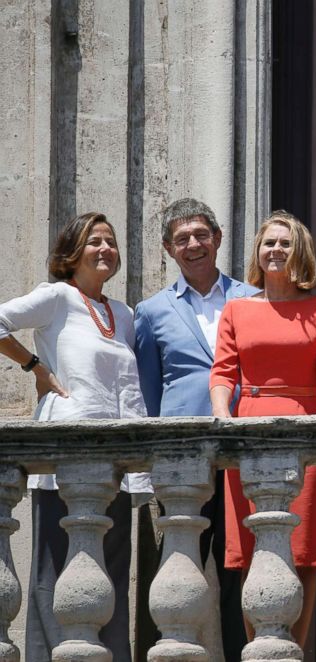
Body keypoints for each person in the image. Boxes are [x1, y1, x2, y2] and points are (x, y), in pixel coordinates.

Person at [0, 212, 148, 662]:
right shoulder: (57, 297)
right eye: (94, 241)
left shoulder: (122, 313)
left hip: (116, 462)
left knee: (112, 572)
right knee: (55, 571)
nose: (105, 248)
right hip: (65, 457)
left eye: (111, 241)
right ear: (72, 253)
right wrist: (34, 367)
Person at [209, 211, 316, 646]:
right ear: (257, 251)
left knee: (303, 552)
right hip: (249, 429)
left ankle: (295, 652)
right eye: (269, 243)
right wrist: (222, 419)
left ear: (300, 251)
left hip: (307, 433)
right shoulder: (235, 309)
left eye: (285, 243)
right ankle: (261, 650)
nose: (276, 250)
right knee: (253, 551)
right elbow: (222, 374)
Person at [134, 198, 257, 659]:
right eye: (182, 238)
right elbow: (149, 390)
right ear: (169, 248)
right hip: (183, 449)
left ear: (218, 239)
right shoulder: (150, 311)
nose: (193, 245)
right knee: (181, 555)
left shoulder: (252, 299)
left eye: (201, 235)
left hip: (243, 444)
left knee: (237, 560)